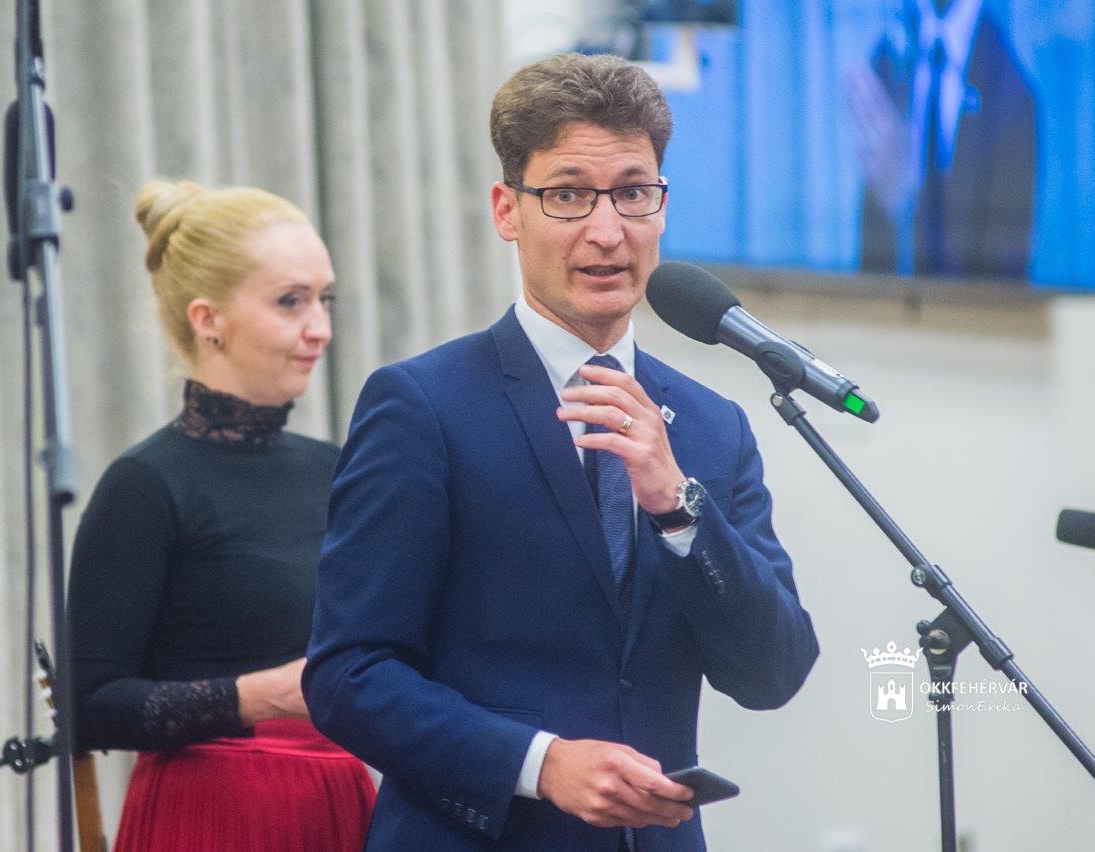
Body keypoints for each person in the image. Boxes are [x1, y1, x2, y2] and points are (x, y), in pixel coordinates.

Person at [304, 53, 818, 850]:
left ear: (662, 206)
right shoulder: (423, 407)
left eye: (633, 193)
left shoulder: (712, 428)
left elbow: (772, 672)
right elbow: (347, 675)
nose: (607, 231)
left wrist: (678, 507)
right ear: (507, 209)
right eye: (569, 195)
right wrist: (539, 764)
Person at [69, 180, 375, 851]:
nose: (320, 328)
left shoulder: (339, 469)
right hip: (210, 816)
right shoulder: (144, 484)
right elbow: (87, 706)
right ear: (209, 319)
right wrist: (265, 695)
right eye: (291, 301)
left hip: (341, 805)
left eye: (324, 299)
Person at [848, 0, 1035, 278]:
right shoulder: (886, 57)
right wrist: (891, 205)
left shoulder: (1014, 95)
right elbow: (871, 266)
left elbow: (1004, 278)